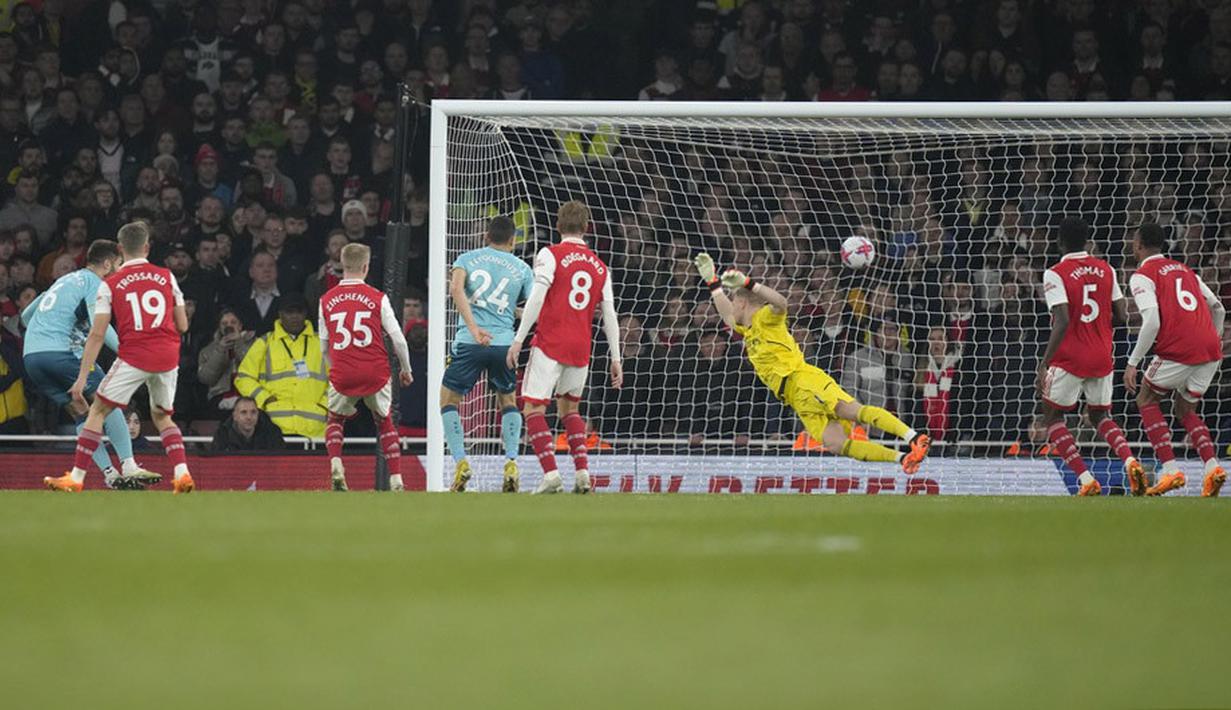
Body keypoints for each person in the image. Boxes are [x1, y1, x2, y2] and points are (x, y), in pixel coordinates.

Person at [693, 252, 931, 473]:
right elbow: (726, 313)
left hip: (804, 379)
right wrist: (713, 284)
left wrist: (749, 283)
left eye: (733, 300)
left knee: (850, 410)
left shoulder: (765, 317)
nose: (730, 306)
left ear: (743, 303)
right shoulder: (747, 328)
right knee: (836, 444)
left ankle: (914, 437)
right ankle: (903, 458)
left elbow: (781, 302)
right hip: (795, 397)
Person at [44, 223, 194, 493]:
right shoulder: (167, 276)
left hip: (135, 355)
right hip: (168, 355)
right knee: (162, 416)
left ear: (121, 250)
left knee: (98, 411)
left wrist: (81, 378)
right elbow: (183, 325)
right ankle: (182, 473)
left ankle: (76, 478)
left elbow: (98, 334)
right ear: (147, 247)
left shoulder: (109, 285)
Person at [506, 201, 623, 494]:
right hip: (581, 346)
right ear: (586, 228)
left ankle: (551, 474)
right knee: (570, 410)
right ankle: (583, 474)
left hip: (550, 341)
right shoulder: (600, 265)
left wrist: (519, 338)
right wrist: (616, 358)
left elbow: (536, 296)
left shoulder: (550, 254)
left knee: (533, 408)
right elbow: (609, 314)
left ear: (558, 226)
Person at [22, 239, 158, 489]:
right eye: (118, 265)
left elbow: (25, 316)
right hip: (60, 353)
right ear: (107, 264)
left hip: (32, 358)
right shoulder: (95, 284)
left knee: (81, 411)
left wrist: (48, 331)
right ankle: (129, 465)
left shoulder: (61, 283)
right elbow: (101, 327)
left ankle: (109, 474)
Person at [1036, 217, 1143, 496]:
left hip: (1070, 358)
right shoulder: (1106, 268)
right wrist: (1097, 329)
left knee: (1053, 417)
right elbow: (1122, 315)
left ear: (1059, 241)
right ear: (1086, 241)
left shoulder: (1055, 273)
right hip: (1101, 356)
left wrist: (1045, 362)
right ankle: (1131, 461)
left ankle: (1085, 480)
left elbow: (1061, 321)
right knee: (1100, 416)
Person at [1124, 222, 1226, 497]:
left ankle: (1170, 470)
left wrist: (1133, 362)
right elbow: (1218, 307)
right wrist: (1212, 339)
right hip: (1211, 349)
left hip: (1179, 349)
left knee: (1146, 398)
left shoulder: (1142, 274)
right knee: (1186, 410)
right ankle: (1212, 468)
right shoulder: (1185, 270)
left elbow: (1152, 322)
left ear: (1139, 245)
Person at [442, 216, 534, 492]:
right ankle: (511, 462)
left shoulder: (467, 258)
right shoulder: (522, 268)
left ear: (486, 236)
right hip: (504, 345)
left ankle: (461, 463)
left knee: (448, 402)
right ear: (513, 240)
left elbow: (455, 289)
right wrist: (513, 317)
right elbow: (532, 309)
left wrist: (474, 327)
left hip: (470, 342)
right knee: (508, 402)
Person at [318, 243, 412, 491]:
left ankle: (337, 466)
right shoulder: (377, 298)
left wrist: (334, 370)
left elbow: (324, 347)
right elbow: (398, 339)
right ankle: (396, 480)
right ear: (366, 267)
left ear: (342, 264)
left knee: (335, 420)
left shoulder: (326, 300)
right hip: (375, 372)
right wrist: (406, 369)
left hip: (343, 372)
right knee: (384, 422)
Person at [235, 293, 329, 438]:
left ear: (306, 314)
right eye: (289, 312)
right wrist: (264, 399)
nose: (294, 316)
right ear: (280, 314)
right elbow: (243, 378)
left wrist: (324, 406)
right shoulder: (265, 343)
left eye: (299, 311)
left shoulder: (322, 344)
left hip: (315, 429)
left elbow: (339, 380)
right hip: (273, 428)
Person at [210, 396, 286, 451]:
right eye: (244, 412)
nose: (249, 417)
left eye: (253, 412)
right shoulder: (222, 434)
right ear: (235, 416)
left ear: (258, 414)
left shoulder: (272, 433)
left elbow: (279, 465)